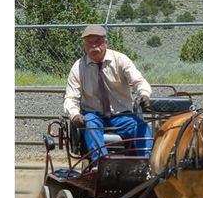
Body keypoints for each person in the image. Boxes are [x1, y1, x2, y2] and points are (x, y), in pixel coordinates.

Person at [63, 25, 154, 158]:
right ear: (84, 46)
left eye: (98, 41)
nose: (94, 46)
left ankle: (146, 163)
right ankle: (101, 163)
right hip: (94, 116)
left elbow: (138, 81)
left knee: (141, 126)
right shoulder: (78, 68)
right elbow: (71, 97)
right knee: (90, 124)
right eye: (90, 42)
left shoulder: (120, 60)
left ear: (105, 43)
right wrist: (75, 115)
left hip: (122, 115)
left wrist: (144, 94)